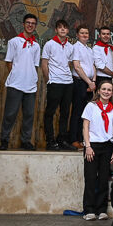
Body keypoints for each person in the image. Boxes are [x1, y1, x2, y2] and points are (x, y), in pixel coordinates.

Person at [0, 13, 41, 151]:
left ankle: (26, 141)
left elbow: (35, 65)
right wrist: (17, 74)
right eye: (28, 22)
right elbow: (9, 62)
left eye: (33, 23)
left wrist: (32, 78)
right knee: (10, 113)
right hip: (15, 84)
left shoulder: (36, 45)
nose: (30, 25)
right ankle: (4, 140)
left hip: (30, 86)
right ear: (23, 24)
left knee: (29, 114)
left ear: (35, 26)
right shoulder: (14, 42)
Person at [81, 80, 113, 221]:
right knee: (90, 178)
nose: (106, 92)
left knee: (103, 179)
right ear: (99, 91)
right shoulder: (91, 106)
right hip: (92, 145)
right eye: (104, 89)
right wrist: (87, 146)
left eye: (109, 89)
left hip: (107, 146)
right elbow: (85, 127)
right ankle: (89, 209)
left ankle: (101, 209)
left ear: (112, 93)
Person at [41, 19, 74, 151]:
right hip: (55, 82)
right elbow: (44, 63)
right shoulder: (49, 44)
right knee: (50, 112)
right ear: (56, 30)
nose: (62, 30)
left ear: (68, 31)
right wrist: (49, 79)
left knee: (65, 112)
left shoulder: (70, 46)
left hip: (68, 83)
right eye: (60, 27)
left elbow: (71, 64)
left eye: (65, 28)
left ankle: (62, 140)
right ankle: (50, 140)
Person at [68, 24, 96, 150]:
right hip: (79, 82)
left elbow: (93, 66)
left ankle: (82, 138)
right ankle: (74, 139)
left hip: (90, 83)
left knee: (85, 113)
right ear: (77, 35)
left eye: (87, 33)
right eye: (82, 33)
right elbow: (77, 67)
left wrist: (93, 81)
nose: (85, 35)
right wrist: (88, 82)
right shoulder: (75, 48)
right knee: (77, 112)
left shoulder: (89, 49)